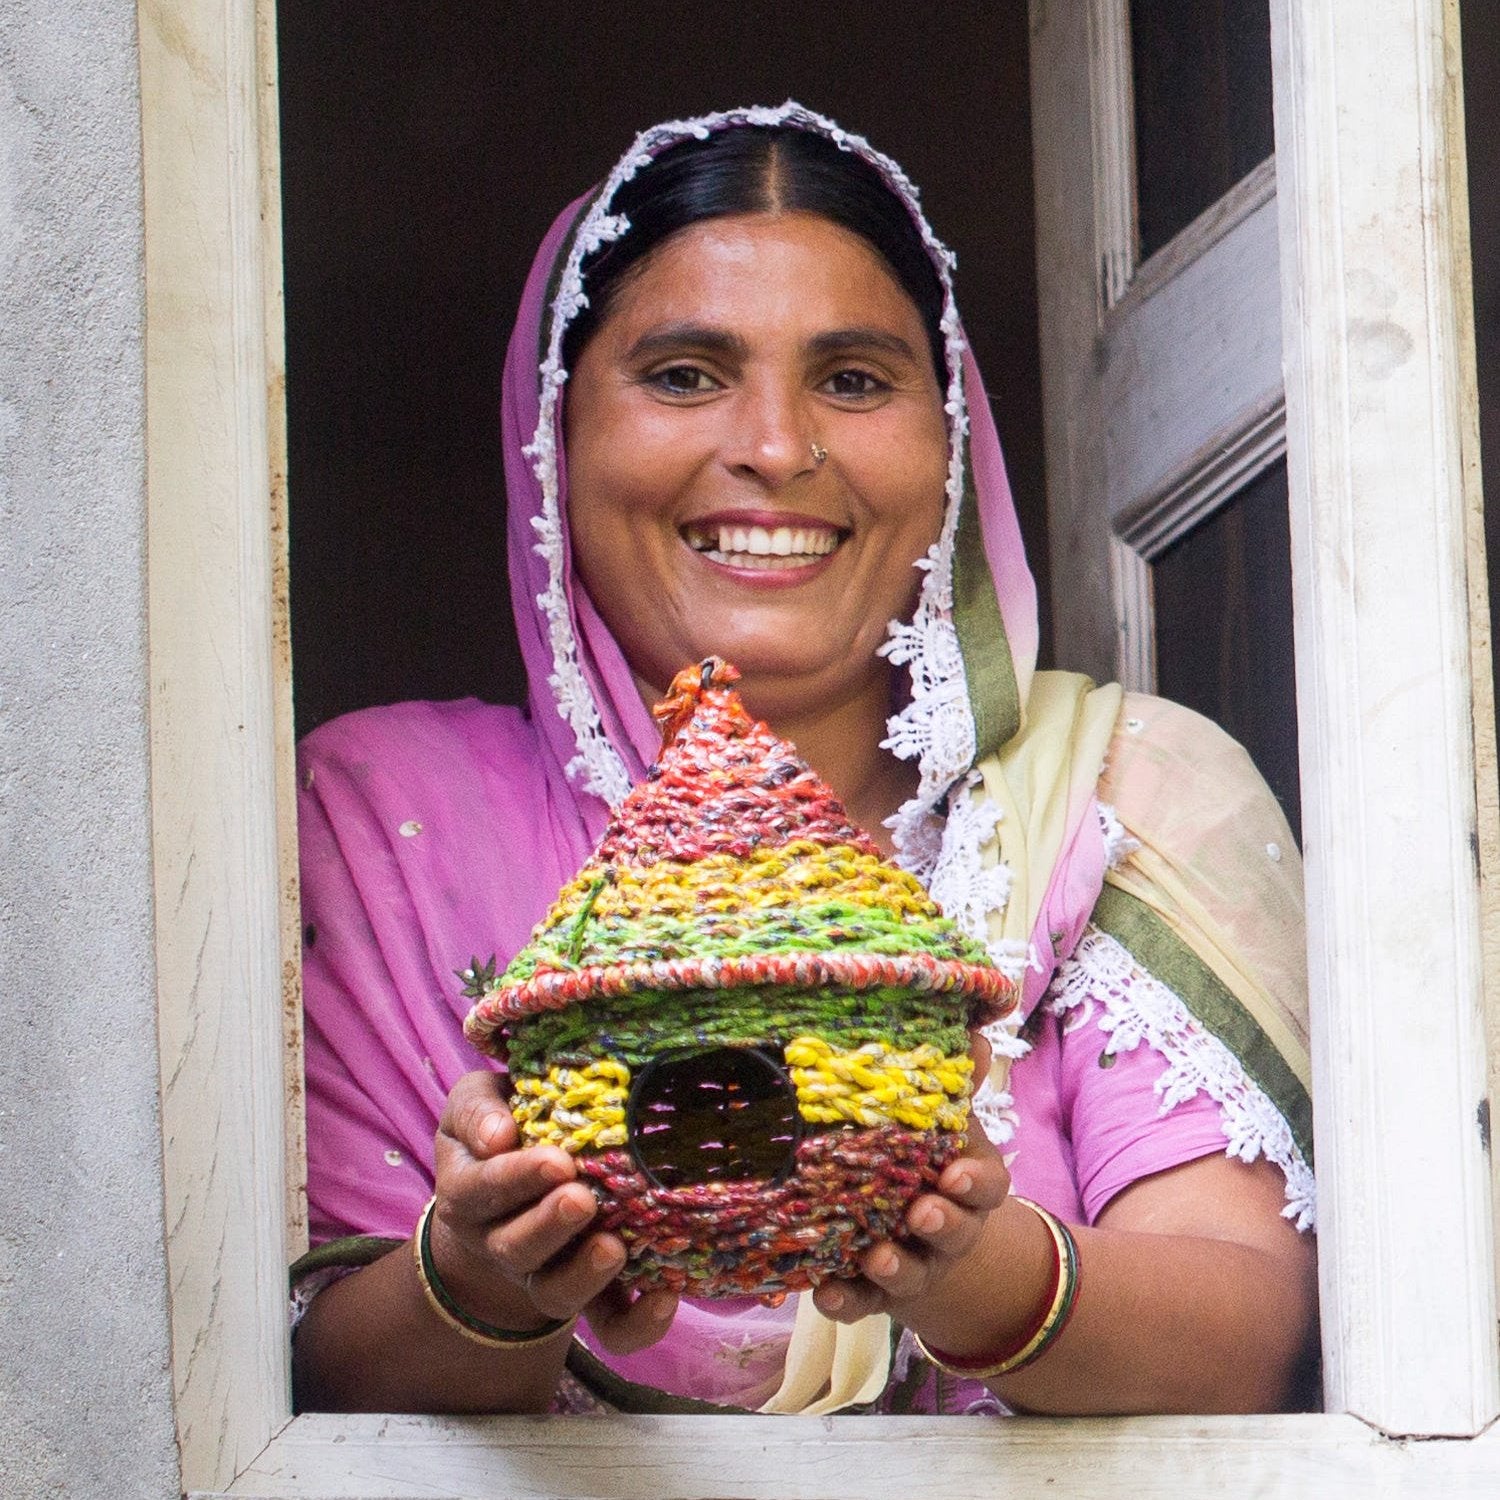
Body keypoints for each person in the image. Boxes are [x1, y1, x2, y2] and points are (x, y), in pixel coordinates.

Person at [290, 103, 1317, 1418]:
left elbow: (1256, 1341)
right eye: (683, 373)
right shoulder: (383, 820)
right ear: (555, 438)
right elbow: (291, 1391)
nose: (776, 447)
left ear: (950, 445)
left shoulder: (1120, 792)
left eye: (852, 378)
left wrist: (968, 1270)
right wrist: (485, 1277)